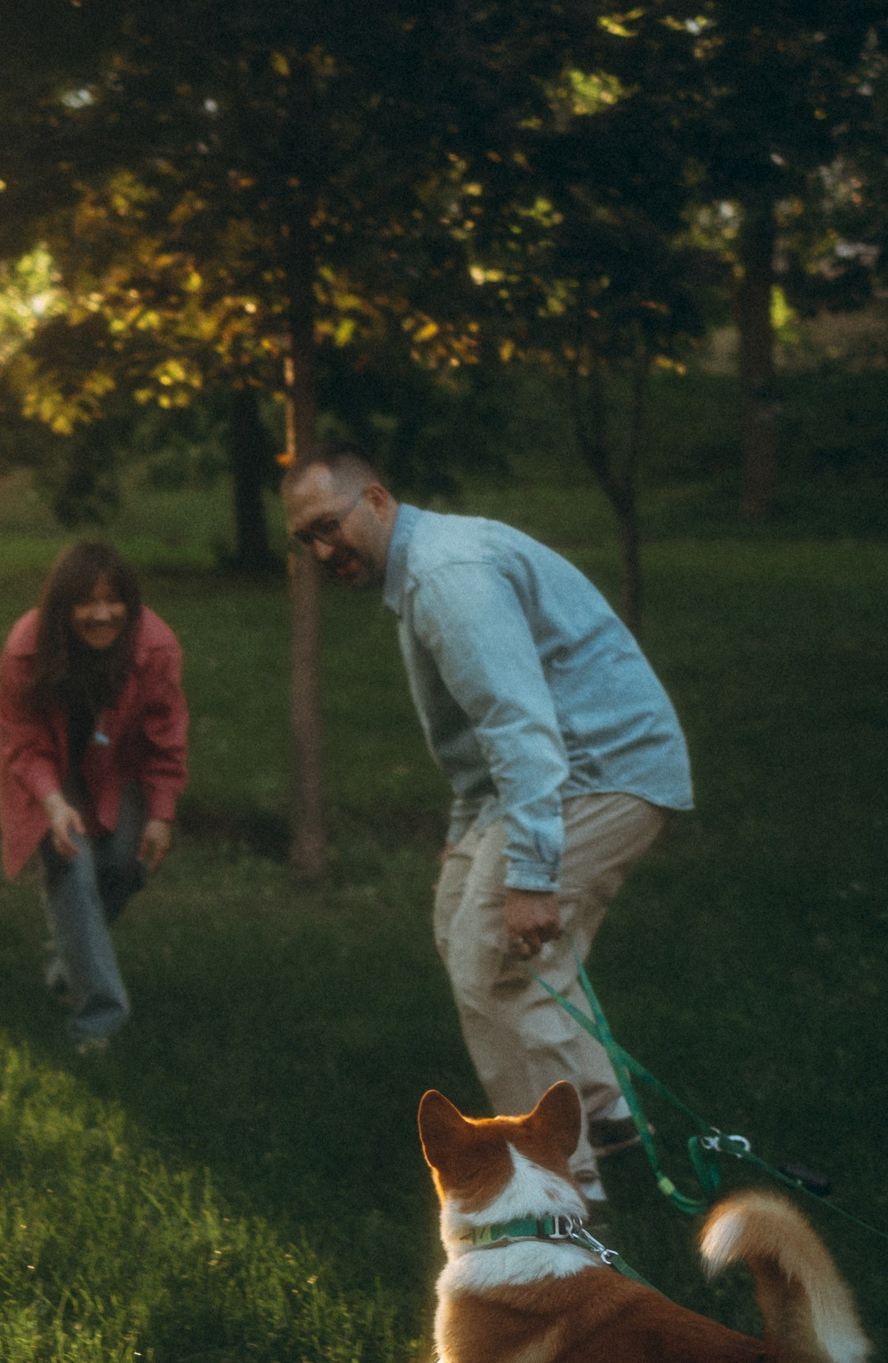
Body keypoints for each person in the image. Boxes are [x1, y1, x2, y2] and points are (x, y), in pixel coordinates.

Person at [282, 443, 693, 1201]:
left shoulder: (445, 577)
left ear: (374, 500)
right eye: (304, 537)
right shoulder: (421, 568)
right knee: (457, 919)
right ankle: (607, 1116)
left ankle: (557, 1187)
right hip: (555, 775)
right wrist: (466, 832)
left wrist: (532, 877)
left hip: (603, 771)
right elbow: (477, 740)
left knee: (492, 957)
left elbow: (519, 725)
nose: (320, 547)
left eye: (328, 524)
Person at [0, 542, 188, 1053]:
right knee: (70, 864)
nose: (102, 615)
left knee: (126, 864)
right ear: (61, 607)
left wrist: (161, 813)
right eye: (85, 603)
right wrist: (53, 803)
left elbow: (167, 737)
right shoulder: (26, 648)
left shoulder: (156, 648)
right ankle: (99, 1018)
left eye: (114, 600)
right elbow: (22, 739)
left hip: (114, 766)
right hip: (44, 769)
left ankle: (67, 968)